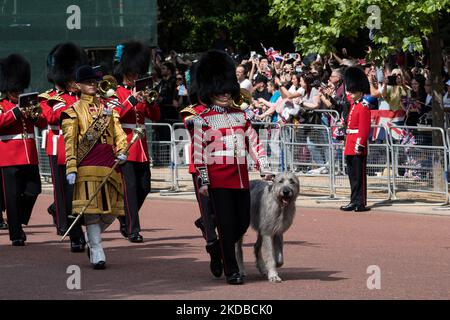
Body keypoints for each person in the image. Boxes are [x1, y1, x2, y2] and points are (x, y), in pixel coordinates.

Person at [183, 50, 271, 285]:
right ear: (209, 91)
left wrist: (264, 165)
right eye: (219, 90)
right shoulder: (202, 118)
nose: (224, 94)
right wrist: (203, 180)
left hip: (240, 177)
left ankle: (215, 243)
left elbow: (253, 141)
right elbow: (199, 153)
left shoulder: (240, 115)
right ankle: (232, 270)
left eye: (226, 89)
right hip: (217, 178)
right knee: (226, 225)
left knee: (241, 223)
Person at [61, 65, 128, 269]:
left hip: (109, 163)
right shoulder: (72, 111)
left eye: (94, 82)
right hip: (87, 163)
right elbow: (70, 142)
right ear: (78, 85)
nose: (92, 85)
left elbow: (119, 133)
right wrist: (71, 167)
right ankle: (98, 251)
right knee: (91, 210)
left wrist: (123, 150)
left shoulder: (108, 109)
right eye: (88, 82)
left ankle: (92, 239)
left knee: (112, 211)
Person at [40, 42, 88, 252]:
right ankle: (75, 236)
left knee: (83, 194)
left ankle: (61, 214)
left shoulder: (85, 96)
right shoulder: (49, 98)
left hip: (83, 148)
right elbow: (51, 117)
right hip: (60, 149)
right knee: (67, 196)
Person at [113, 41, 160, 243]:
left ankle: (124, 215)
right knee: (130, 189)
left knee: (145, 186)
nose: (135, 77)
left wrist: (149, 102)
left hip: (140, 146)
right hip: (124, 145)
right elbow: (116, 115)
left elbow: (156, 117)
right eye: (132, 74)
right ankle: (133, 229)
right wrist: (132, 99)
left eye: (137, 74)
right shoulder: (115, 92)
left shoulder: (141, 92)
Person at [0, 54, 46, 246]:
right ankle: (16, 235)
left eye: (19, 89)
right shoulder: (2, 105)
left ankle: (17, 220)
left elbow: (43, 122)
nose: (17, 93)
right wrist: (17, 112)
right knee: (11, 197)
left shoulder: (28, 102)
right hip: (8, 156)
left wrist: (35, 116)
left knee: (34, 190)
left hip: (29, 156)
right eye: (14, 90)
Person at [340, 67, 371, 212]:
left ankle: (361, 202)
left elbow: (364, 129)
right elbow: (346, 95)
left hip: (358, 145)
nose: (350, 94)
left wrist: (360, 144)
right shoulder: (354, 105)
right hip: (349, 144)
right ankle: (353, 200)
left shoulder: (364, 107)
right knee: (352, 176)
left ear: (360, 91)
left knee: (359, 177)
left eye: (353, 91)